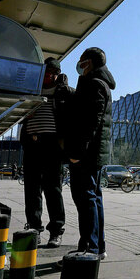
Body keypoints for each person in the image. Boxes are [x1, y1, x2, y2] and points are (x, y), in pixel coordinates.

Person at [65, 47, 115, 259]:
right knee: (93, 199)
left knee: (86, 199)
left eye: (81, 61)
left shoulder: (95, 84)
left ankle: (89, 249)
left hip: (86, 154)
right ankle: (96, 247)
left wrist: (78, 151)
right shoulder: (96, 84)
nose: (79, 65)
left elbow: (90, 122)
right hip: (92, 153)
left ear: (89, 63)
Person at [19, 57, 71, 247]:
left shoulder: (63, 92)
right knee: (32, 189)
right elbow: (17, 114)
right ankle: (34, 227)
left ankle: (56, 231)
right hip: (32, 143)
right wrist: (24, 114)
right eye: (46, 73)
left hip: (52, 144)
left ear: (58, 74)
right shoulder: (31, 89)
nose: (49, 77)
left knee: (53, 189)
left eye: (52, 74)